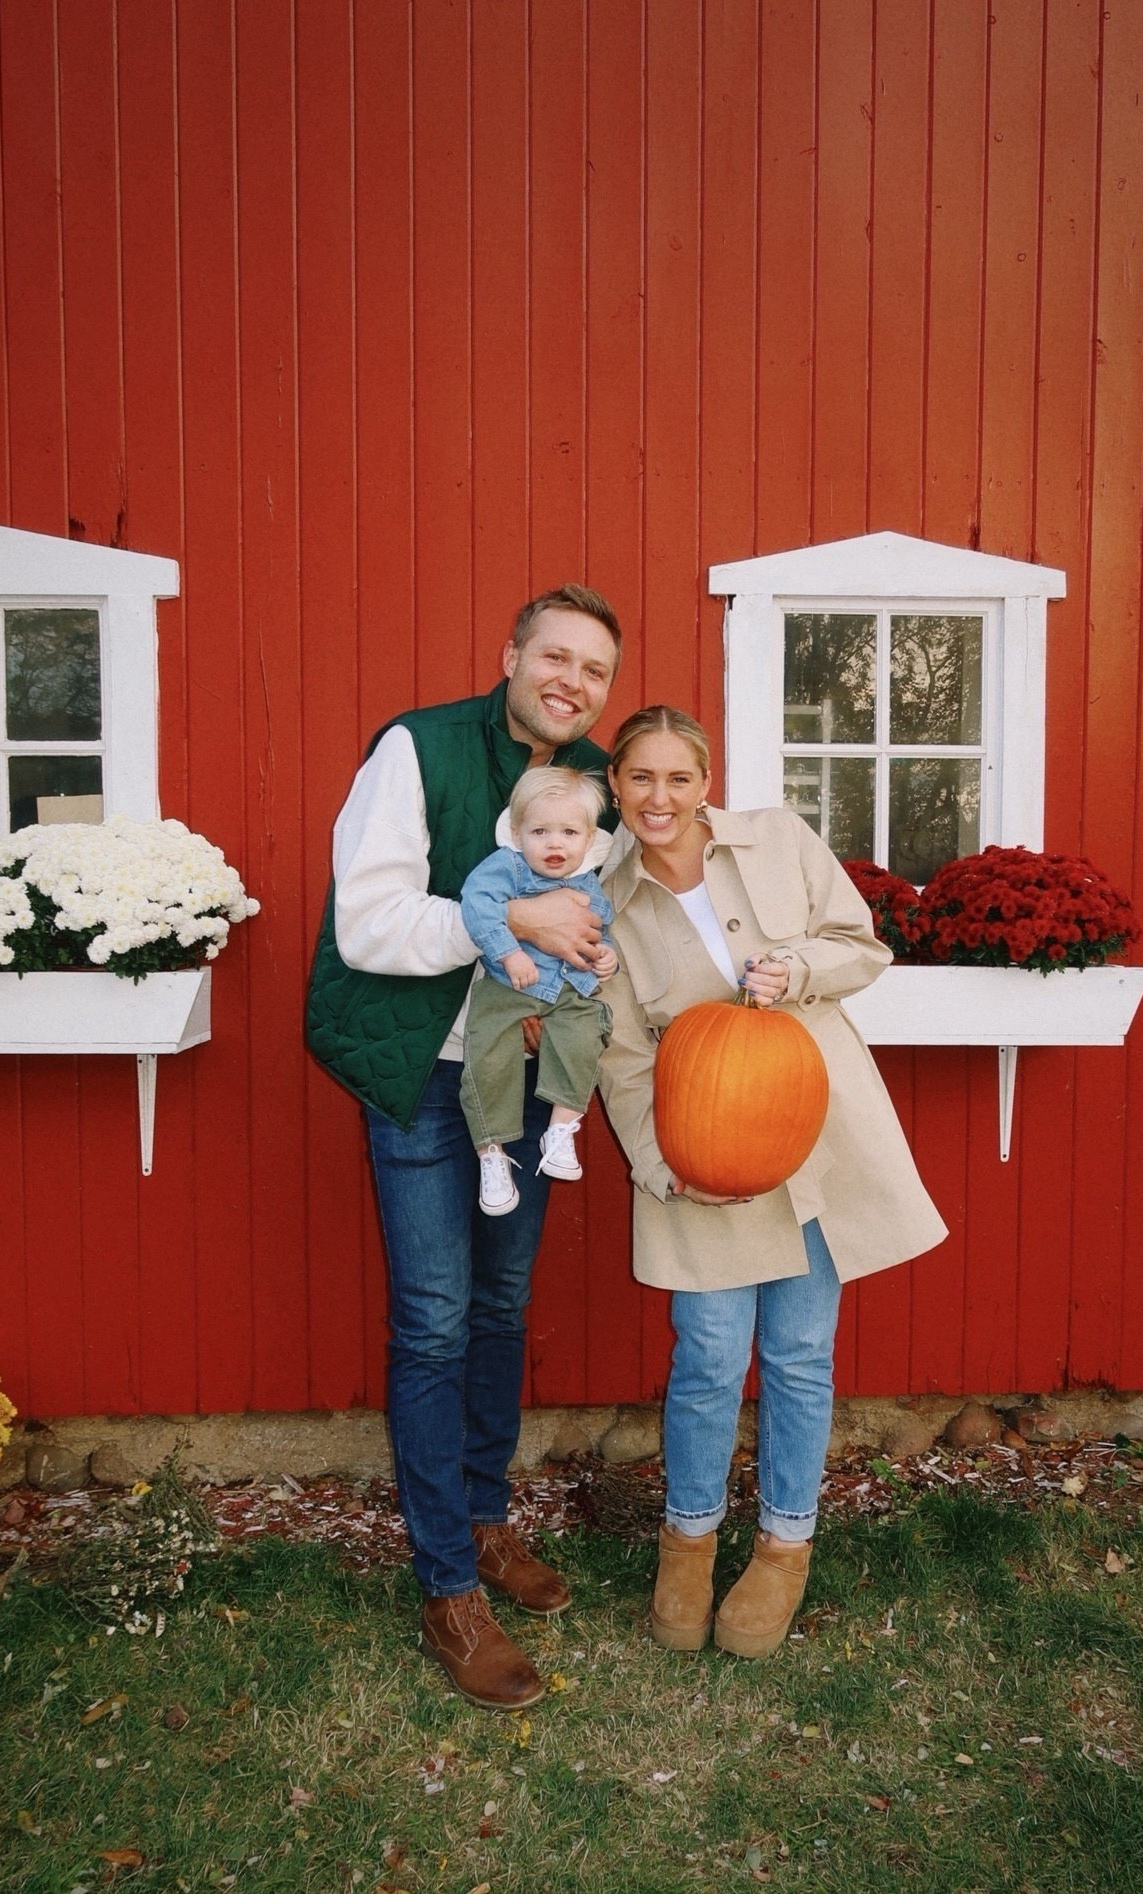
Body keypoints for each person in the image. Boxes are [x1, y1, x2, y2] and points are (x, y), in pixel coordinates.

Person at [306, 586, 620, 1710]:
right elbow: (367, 920)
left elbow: (609, 918)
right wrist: (508, 922)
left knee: (500, 1307)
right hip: (419, 1072)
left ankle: (484, 1522)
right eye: (555, 655)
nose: (571, 679)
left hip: (526, 1080)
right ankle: (447, 1586)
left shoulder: (593, 788)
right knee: (434, 1317)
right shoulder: (416, 746)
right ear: (510, 656)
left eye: (593, 668)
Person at [596, 706, 947, 1660]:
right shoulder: (607, 903)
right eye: (639, 779)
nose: (659, 798)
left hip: (816, 1134)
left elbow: (863, 947)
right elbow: (622, 1059)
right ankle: (689, 1542)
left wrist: (795, 968)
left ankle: (786, 1547)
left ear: (705, 780)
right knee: (707, 1358)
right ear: (615, 786)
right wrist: (665, 1168)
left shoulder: (780, 840)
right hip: (701, 1153)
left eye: (678, 778)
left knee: (799, 1353)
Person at [459, 765, 619, 1216]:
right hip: (510, 983)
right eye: (540, 831)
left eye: (569, 832)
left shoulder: (588, 882)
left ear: (588, 840)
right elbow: (479, 905)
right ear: (516, 833)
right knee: (487, 1053)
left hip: (568, 985)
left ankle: (562, 1129)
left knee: (586, 1031)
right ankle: (491, 1154)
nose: (554, 844)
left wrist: (606, 956)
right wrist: (509, 952)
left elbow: (598, 930)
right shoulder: (506, 867)